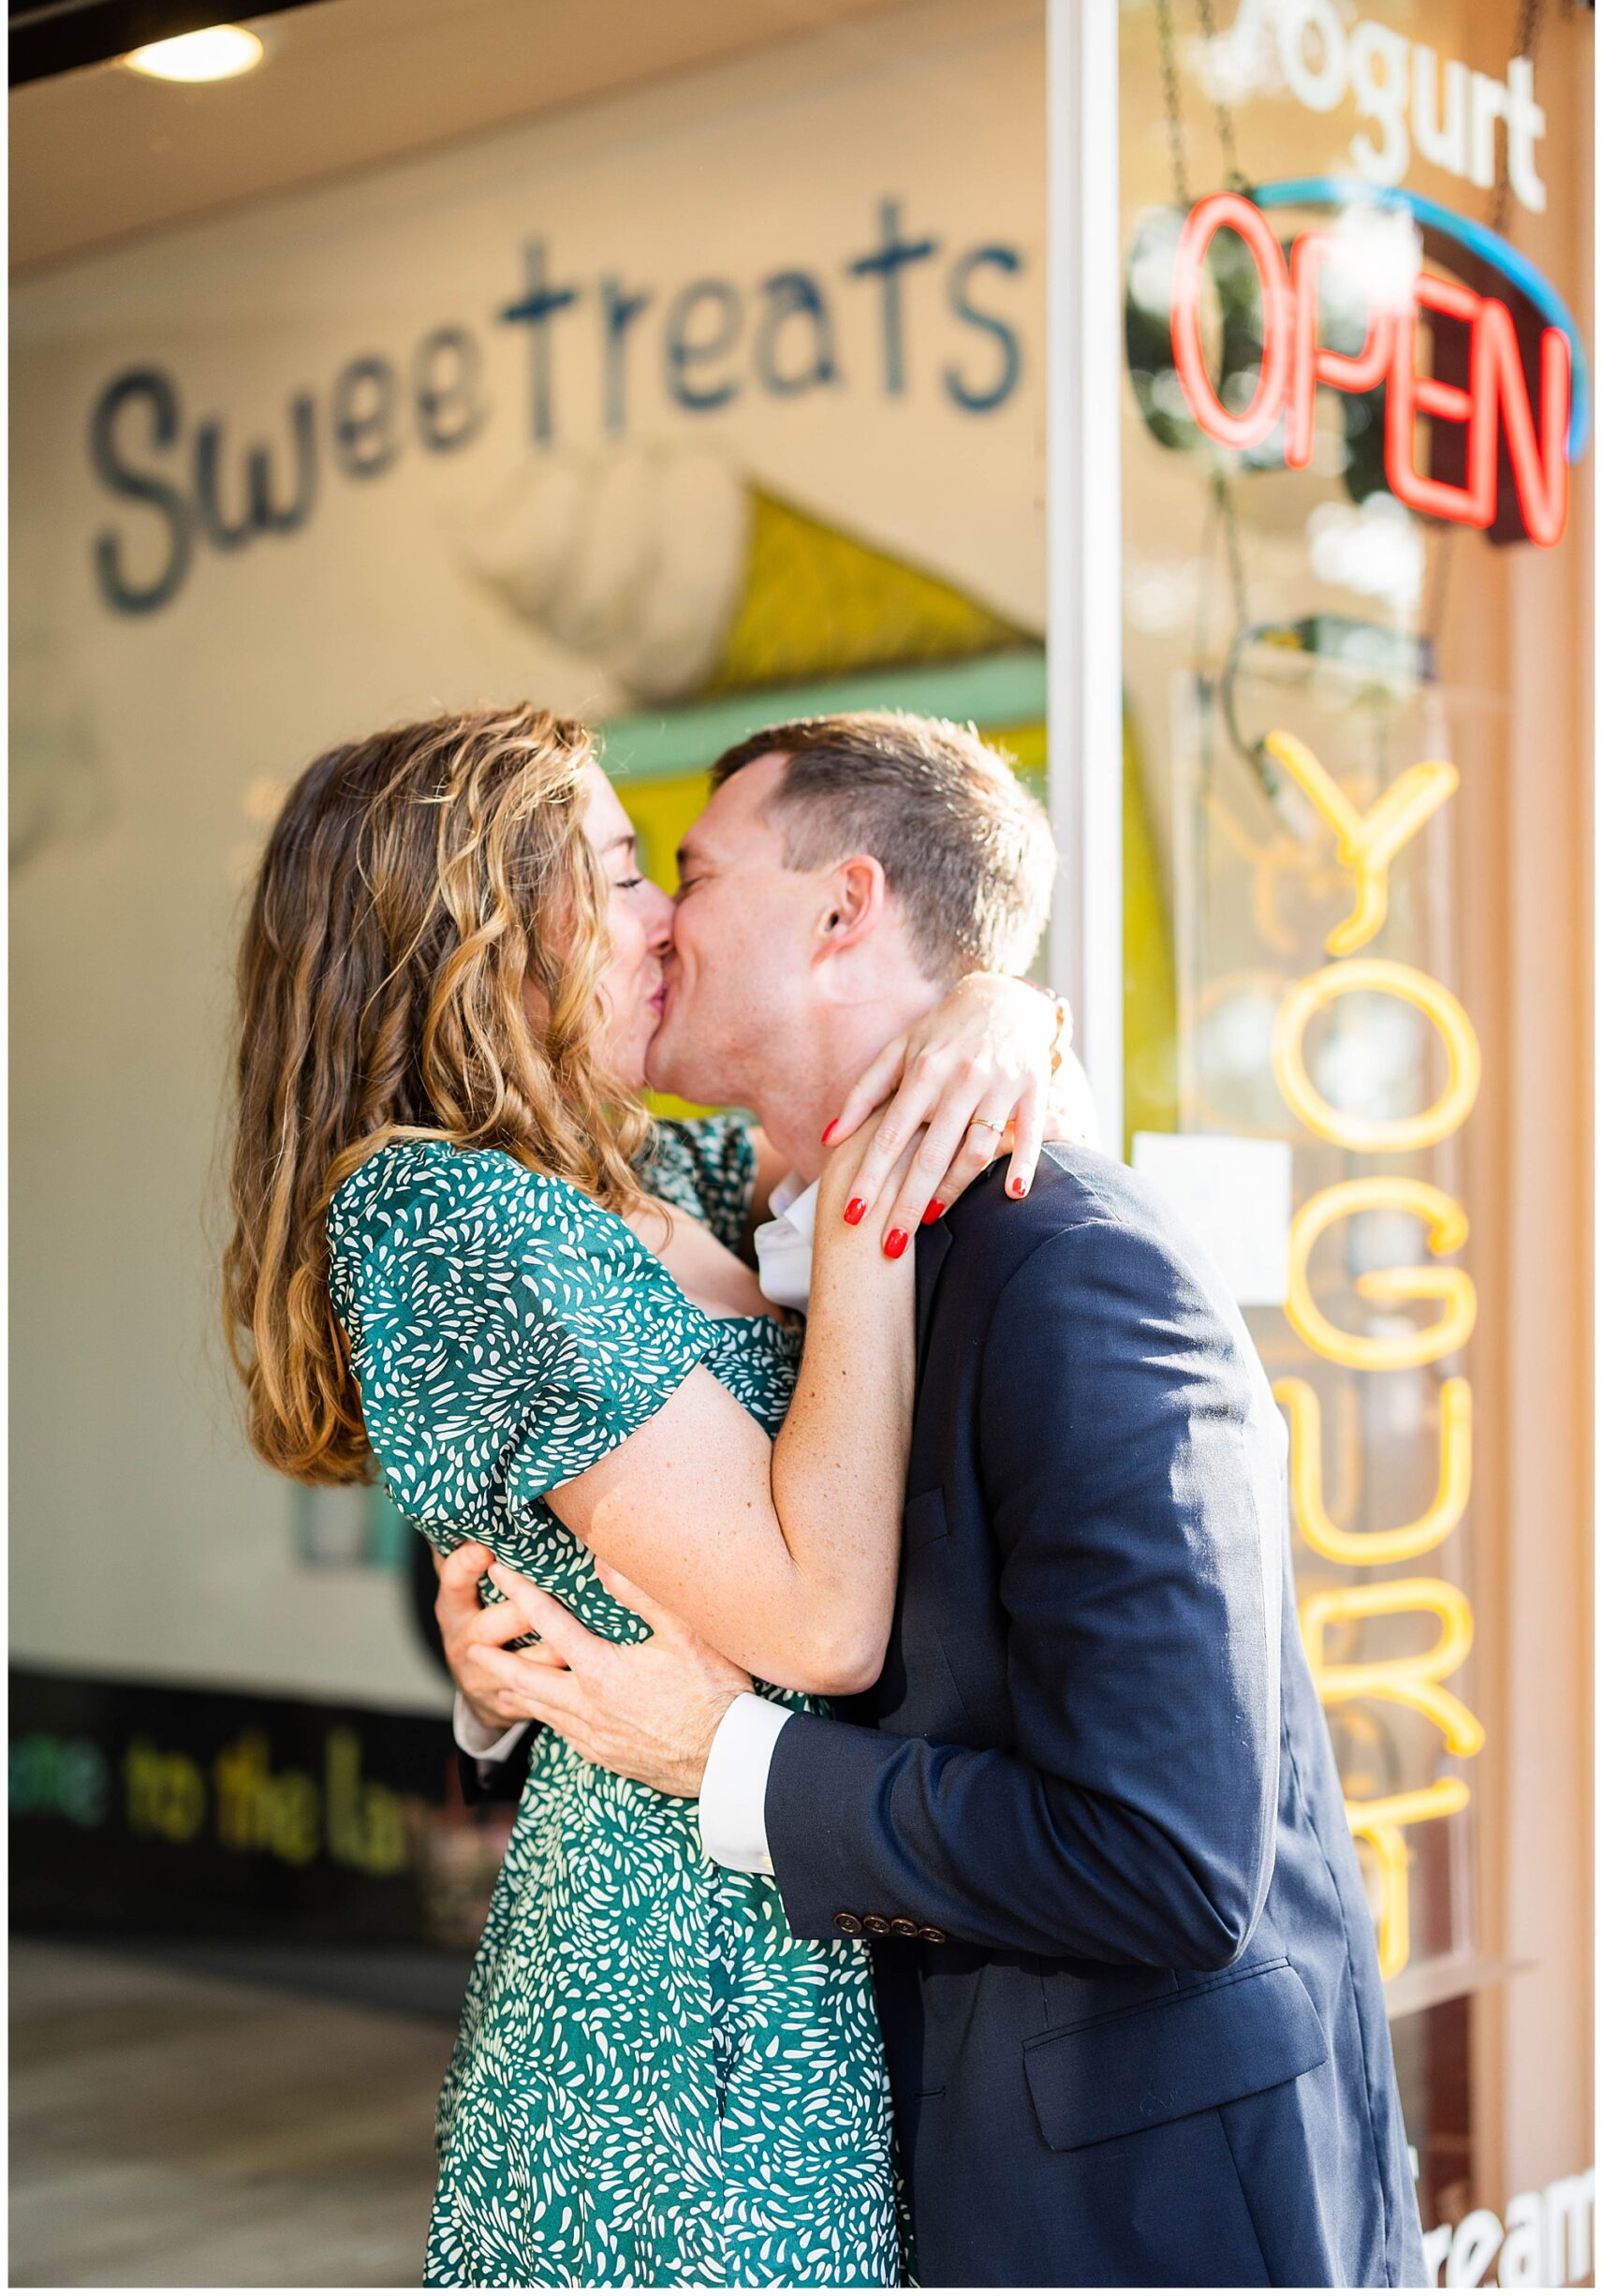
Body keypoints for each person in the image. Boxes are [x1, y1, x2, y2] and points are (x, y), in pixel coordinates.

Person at [464, 712, 1429, 2290]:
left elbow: (1166, 1860)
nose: (658, 925)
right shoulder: (743, 1233)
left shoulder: (1076, 1271)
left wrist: (728, 1760)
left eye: (693, 873)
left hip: (1141, 2208)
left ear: (844, 909)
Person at [221, 701, 1073, 2290]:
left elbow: (862, 1066)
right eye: (620, 875)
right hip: (671, 2013)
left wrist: (1003, 1009)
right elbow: (817, 1625)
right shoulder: (440, 1213)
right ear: (483, 938)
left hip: (814, 1922)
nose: (665, 916)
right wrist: (870, 1219)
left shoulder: (663, 1172)